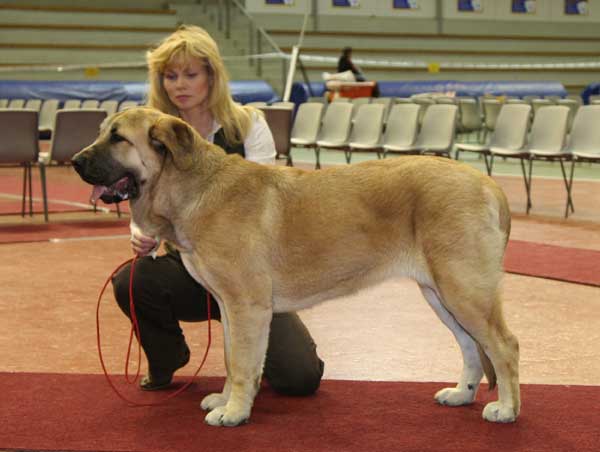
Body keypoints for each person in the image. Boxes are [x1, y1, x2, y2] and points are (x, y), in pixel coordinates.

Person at [111, 25, 324, 396]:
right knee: (132, 280)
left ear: (212, 76)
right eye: (170, 76)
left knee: (300, 378)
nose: (179, 84)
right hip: (188, 266)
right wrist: (141, 230)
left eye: (191, 74)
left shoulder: (248, 125)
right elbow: (142, 195)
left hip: (250, 270)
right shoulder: (150, 134)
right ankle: (167, 356)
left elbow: (265, 199)